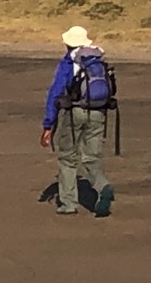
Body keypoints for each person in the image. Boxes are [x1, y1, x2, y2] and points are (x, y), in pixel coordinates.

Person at [41, 24, 117, 217]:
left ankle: (68, 204)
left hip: (75, 112)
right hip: (99, 111)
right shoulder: (97, 59)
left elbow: (55, 92)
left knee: (68, 157)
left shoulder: (69, 63)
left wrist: (48, 124)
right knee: (91, 156)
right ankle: (102, 186)